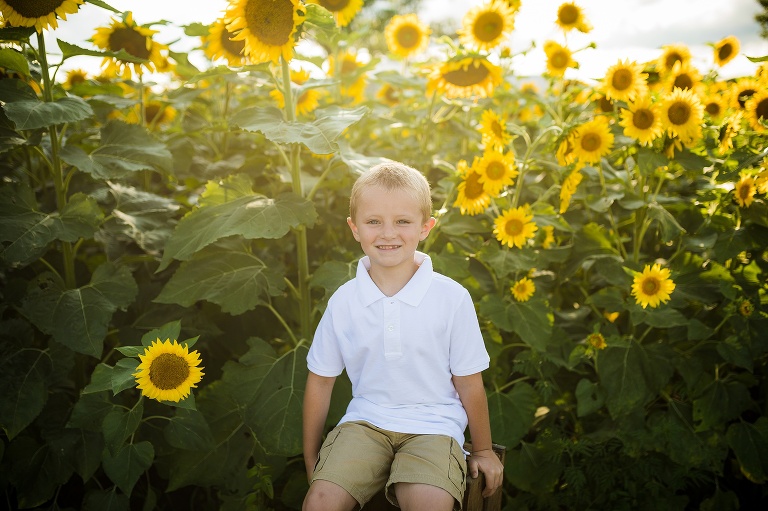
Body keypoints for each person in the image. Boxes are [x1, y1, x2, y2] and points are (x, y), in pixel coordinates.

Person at [302, 162, 503, 511]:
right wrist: (312, 462)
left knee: (430, 503)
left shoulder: (451, 298)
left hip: (435, 426)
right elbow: (320, 381)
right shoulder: (345, 301)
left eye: (403, 221)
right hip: (365, 423)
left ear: (426, 227)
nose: (387, 233)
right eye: (374, 221)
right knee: (320, 502)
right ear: (354, 228)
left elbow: (470, 382)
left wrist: (483, 449)